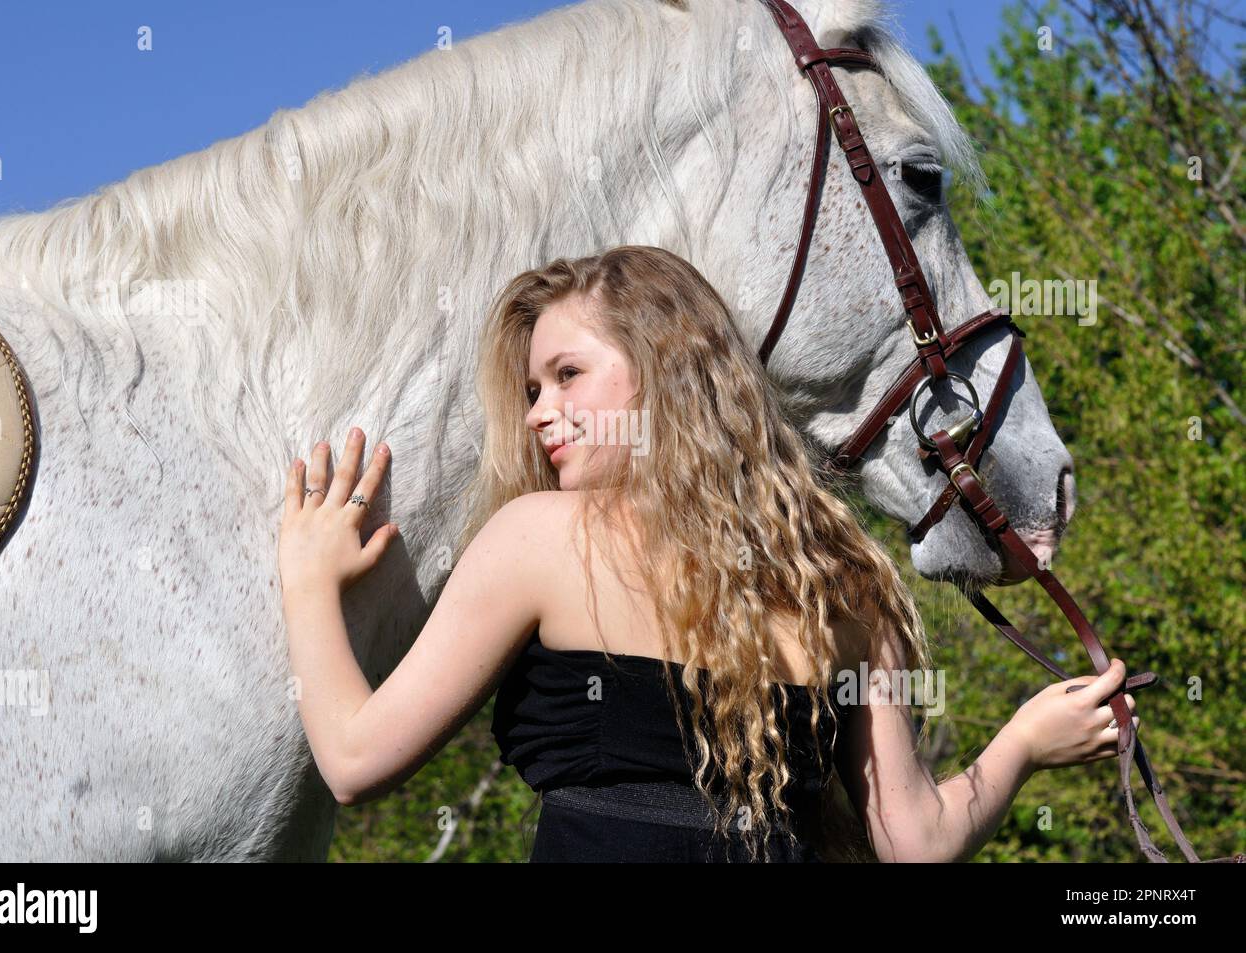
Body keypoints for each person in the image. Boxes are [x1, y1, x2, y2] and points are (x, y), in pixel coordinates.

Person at [277, 244, 1138, 863]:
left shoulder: (539, 538)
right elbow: (916, 839)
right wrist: (1021, 741)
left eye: (568, 375)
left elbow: (353, 762)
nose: (539, 411)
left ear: (663, 369)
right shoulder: (840, 582)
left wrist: (309, 582)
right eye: (533, 389)